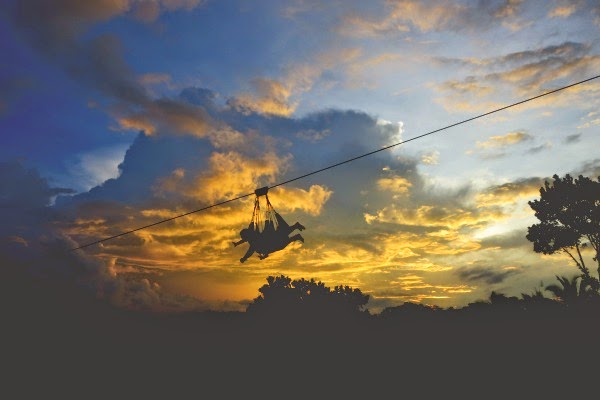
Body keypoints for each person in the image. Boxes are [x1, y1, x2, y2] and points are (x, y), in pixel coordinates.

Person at [233, 214, 305, 262]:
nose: (244, 239)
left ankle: (296, 233)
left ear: (247, 236)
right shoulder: (252, 237)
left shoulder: (254, 242)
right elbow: (244, 241)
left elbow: (249, 252)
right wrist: (237, 244)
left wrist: (244, 258)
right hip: (270, 242)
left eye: (244, 237)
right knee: (282, 235)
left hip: (270, 240)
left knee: (282, 239)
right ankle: (296, 230)